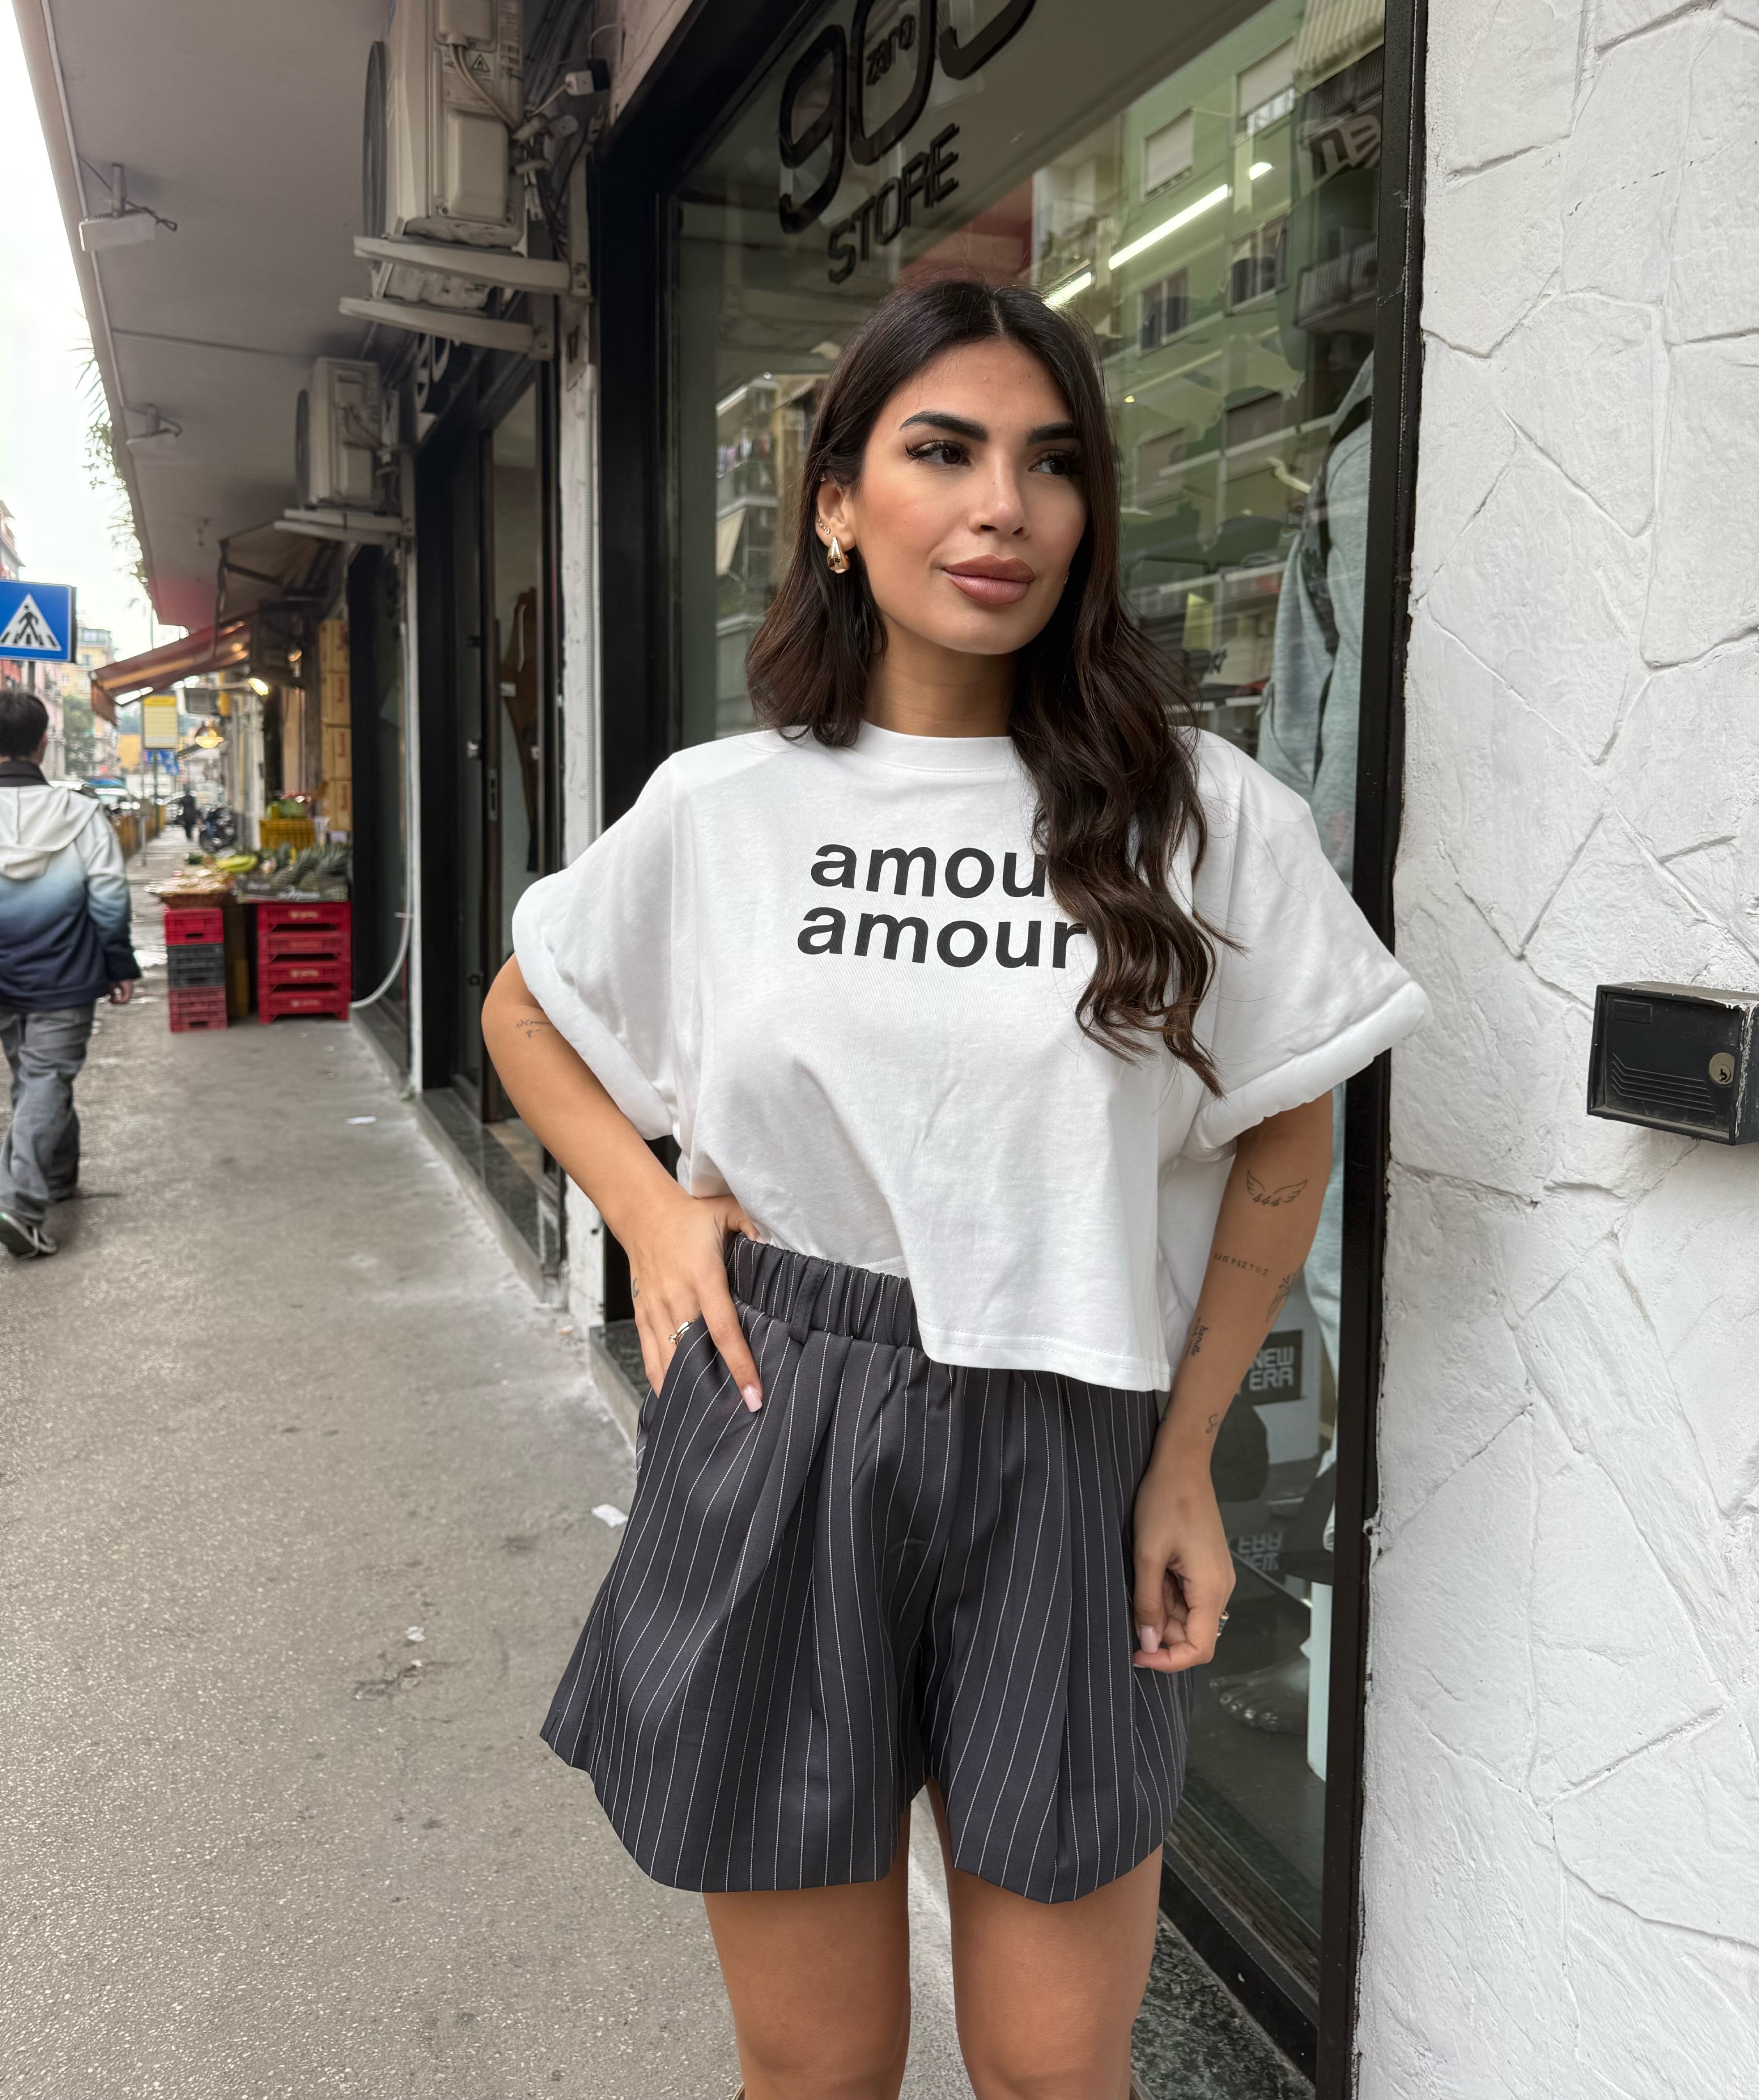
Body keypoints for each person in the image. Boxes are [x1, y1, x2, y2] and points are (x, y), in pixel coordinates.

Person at [482, 281, 1426, 2100]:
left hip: (1069, 1428)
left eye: (1051, 464)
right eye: (945, 451)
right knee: (817, 2070)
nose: (1005, 508)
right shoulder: (724, 809)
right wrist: (655, 1216)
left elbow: (1284, 1138)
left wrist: (1185, 1457)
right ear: (838, 503)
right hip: (783, 1404)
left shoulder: (1197, 812)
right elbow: (525, 1014)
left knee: (1055, 2068)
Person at [0, 687, 140, 1258]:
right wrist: (118, 963)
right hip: (65, 975)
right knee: (46, 1080)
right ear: (43, 743)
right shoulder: (80, 813)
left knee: (35, 1080)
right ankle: (20, 1206)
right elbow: (108, 893)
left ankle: (58, 1179)